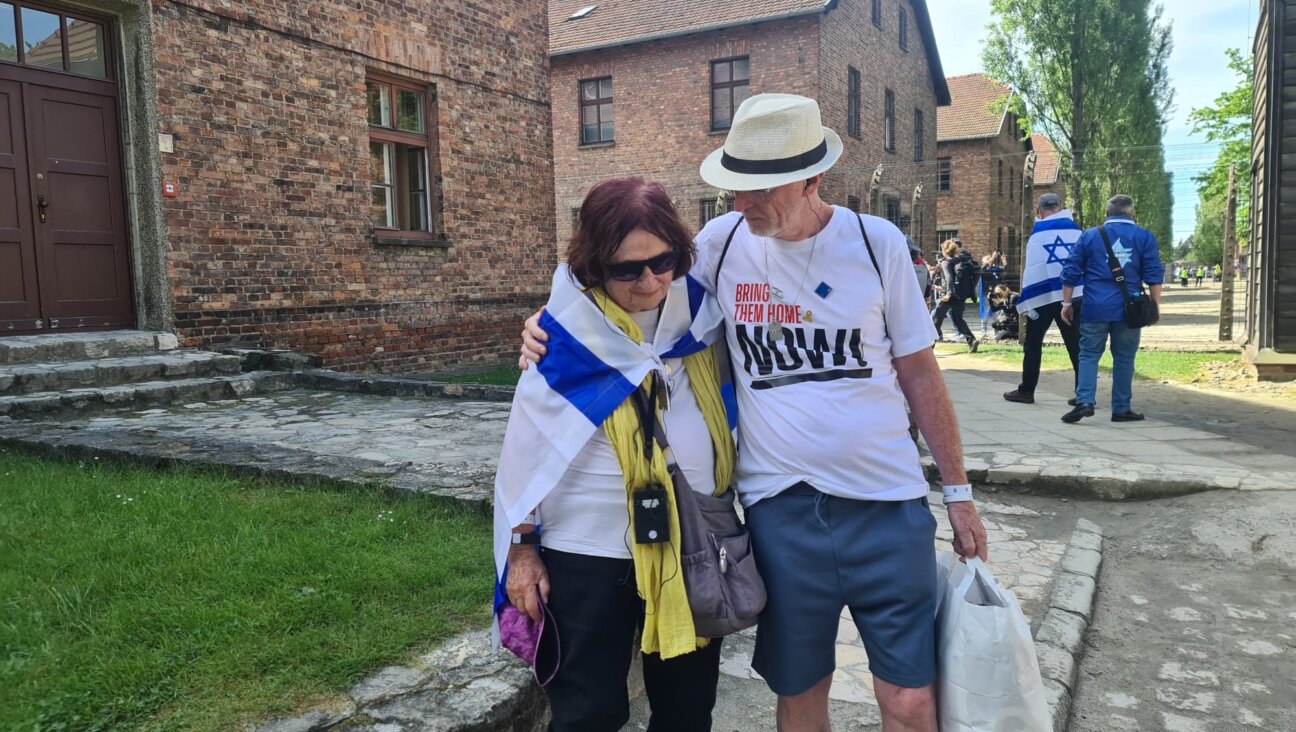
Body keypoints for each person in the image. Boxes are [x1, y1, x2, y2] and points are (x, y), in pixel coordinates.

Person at [523, 94, 988, 732]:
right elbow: (609, 278)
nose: (740, 204)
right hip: (781, 509)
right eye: (733, 188)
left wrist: (957, 492)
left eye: (756, 190)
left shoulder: (877, 246)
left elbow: (919, 374)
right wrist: (542, 325)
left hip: (887, 500)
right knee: (800, 690)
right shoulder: (721, 243)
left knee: (909, 700)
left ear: (813, 179)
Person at [495, 177, 734, 731]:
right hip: (585, 555)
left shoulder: (703, 317)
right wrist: (523, 551)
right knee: (588, 715)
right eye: (628, 269)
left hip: (690, 542)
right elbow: (526, 456)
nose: (650, 280)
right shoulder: (566, 336)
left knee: (688, 710)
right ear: (595, 266)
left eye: (663, 260)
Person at [1060, 194, 1164, 423]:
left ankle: (1085, 401)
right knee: (1124, 358)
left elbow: (1070, 271)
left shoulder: (1090, 236)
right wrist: (1155, 306)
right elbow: (1154, 275)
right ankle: (1121, 408)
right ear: (1131, 213)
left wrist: (1066, 303)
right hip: (1131, 308)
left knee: (1087, 354)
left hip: (1095, 306)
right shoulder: (1144, 237)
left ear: (1107, 213)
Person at [1003, 193, 1083, 405]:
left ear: (1039, 210)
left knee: (1033, 342)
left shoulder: (1037, 235)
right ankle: (1084, 392)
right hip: (1073, 295)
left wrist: (1029, 296)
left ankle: (1027, 390)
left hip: (1044, 296)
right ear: (1060, 206)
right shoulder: (1076, 231)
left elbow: (1034, 269)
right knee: (1076, 344)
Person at [932, 239, 981, 352]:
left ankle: (930, 346)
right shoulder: (960, 261)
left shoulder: (945, 262)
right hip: (960, 296)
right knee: (958, 319)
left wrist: (948, 293)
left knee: (936, 319)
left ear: (944, 250)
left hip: (949, 295)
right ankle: (972, 340)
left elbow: (949, 278)